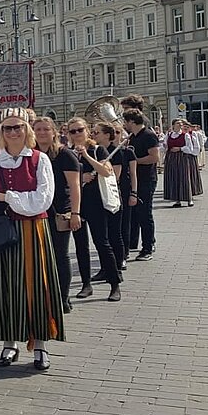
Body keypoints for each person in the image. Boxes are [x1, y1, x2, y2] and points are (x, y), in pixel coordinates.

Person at [0, 110, 65, 370]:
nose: (12, 133)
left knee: (36, 288)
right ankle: (9, 344)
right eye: (7, 129)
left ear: (26, 129)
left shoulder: (39, 159)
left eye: (17, 127)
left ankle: (40, 345)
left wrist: (8, 196)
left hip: (32, 230)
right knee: (2, 287)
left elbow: (43, 199)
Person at [67, 118, 121, 302]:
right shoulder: (67, 153)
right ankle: (85, 284)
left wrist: (88, 158)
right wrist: (82, 177)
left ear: (87, 131)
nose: (76, 134)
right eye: (72, 131)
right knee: (81, 246)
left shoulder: (97, 149)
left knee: (102, 243)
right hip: (77, 205)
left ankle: (114, 284)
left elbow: (107, 171)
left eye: (79, 130)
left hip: (96, 203)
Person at [34, 117, 81, 313]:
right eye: (38, 129)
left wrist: (76, 213)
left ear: (54, 132)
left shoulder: (65, 155)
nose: (42, 133)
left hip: (60, 211)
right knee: (39, 256)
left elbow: (75, 186)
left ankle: (63, 297)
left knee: (60, 255)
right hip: (35, 212)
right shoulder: (31, 154)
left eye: (46, 129)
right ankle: (43, 296)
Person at [123, 109, 159, 260]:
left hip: (146, 179)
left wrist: (135, 161)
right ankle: (134, 243)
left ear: (131, 122)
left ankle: (147, 248)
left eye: (125, 122)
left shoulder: (149, 135)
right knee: (136, 214)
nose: (124, 125)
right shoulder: (132, 136)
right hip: (135, 179)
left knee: (145, 214)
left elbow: (155, 157)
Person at [103, 125, 137, 274]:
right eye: (113, 132)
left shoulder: (127, 152)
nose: (115, 135)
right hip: (107, 191)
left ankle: (124, 254)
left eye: (118, 132)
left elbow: (134, 175)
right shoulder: (104, 151)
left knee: (124, 224)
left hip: (123, 189)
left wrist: (134, 193)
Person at [163, 119, 196, 207]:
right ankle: (177, 200)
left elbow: (190, 148)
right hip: (171, 158)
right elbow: (164, 146)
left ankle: (189, 199)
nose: (180, 125)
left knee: (184, 177)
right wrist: (165, 146)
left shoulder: (185, 135)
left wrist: (180, 148)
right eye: (178, 123)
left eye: (181, 124)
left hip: (182, 158)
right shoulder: (169, 135)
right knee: (173, 178)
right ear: (173, 125)